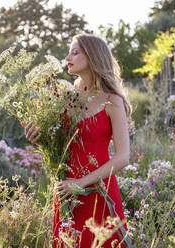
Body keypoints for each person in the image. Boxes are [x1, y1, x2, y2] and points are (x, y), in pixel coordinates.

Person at [24, 33, 132, 248]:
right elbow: (60, 145)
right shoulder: (66, 96)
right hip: (66, 190)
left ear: (92, 56)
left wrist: (81, 183)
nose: (67, 57)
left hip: (99, 191)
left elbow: (123, 157)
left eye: (75, 52)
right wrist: (39, 139)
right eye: (69, 52)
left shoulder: (112, 100)